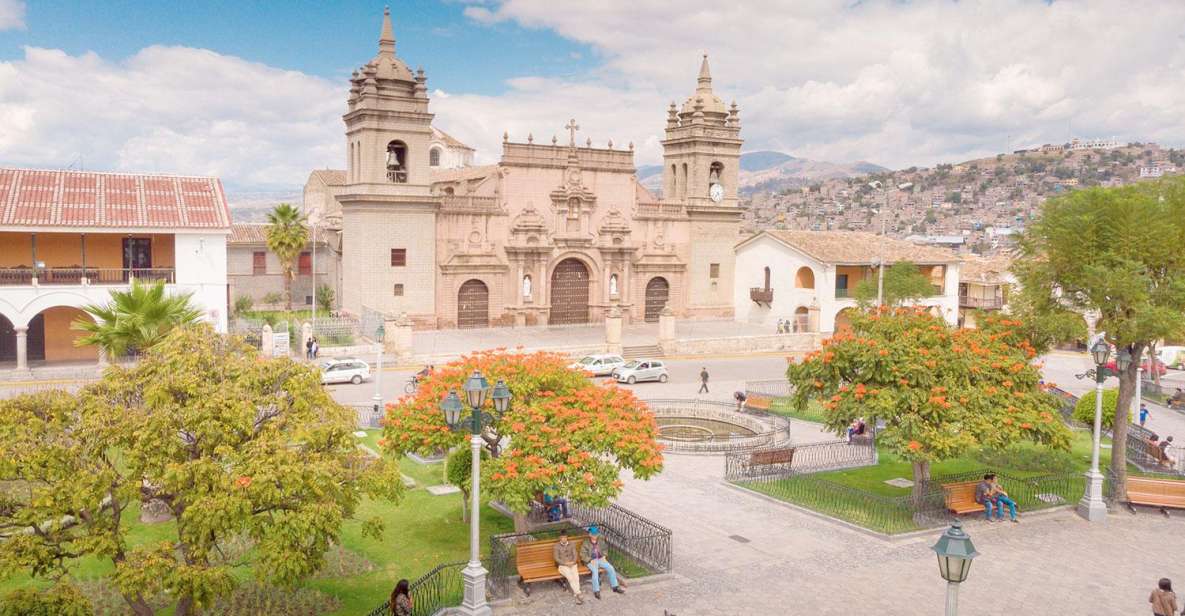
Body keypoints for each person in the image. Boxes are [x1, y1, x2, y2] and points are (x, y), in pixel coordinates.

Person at [580, 526, 625, 599]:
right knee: (595, 572)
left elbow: (605, 549)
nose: (595, 535)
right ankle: (596, 591)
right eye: (593, 534)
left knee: (611, 568)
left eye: (596, 534)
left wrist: (604, 556)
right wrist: (590, 560)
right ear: (589, 534)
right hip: (591, 560)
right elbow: (583, 554)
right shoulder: (586, 543)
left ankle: (615, 586)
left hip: (600, 559)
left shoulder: (600, 541)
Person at [553, 530, 584, 604]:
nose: (564, 539)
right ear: (559, 538)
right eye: (562, 537)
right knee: (570, 577)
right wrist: (565, 563)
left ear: (567, 538)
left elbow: (575, 554)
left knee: (576, 577)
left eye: (565, 537)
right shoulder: (556, 546)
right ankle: (578, 593)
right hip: (562, 566)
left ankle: (577, 594)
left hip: (572, 564)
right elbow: (556, 558)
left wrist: (573, 562)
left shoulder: (571, 544)